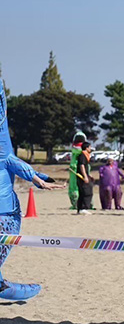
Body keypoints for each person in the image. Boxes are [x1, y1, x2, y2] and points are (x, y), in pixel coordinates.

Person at [0, 78, 64, 301]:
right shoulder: (4, 150)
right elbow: (14, 162)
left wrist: (40, 178)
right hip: (6, 214)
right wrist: (41, 180)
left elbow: (14, 162)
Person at [76, 142, 94, 214]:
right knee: (87, 192)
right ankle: (83, 207)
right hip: (82, 176)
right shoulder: (82, 155)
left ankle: (80, 209)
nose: (90, 149)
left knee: (82, 192)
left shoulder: (86, 155)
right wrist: (85, 176)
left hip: (85, 175)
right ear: (86, 148)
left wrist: (89, 174)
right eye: (89, 147)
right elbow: (82, 166)